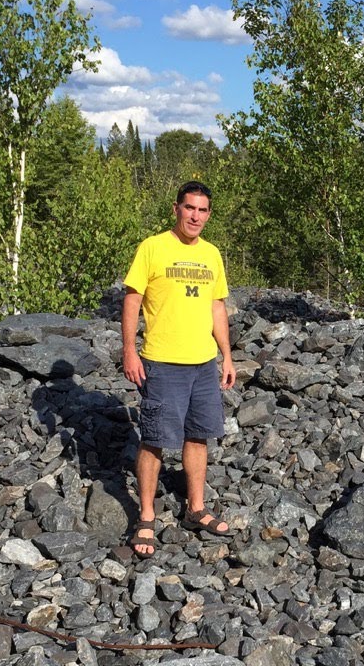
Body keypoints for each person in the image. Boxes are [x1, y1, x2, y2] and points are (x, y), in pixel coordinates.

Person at [121, 181, 236, 555]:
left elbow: (217, 306)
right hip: (163, 362)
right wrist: (129, 350)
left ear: (209, 214)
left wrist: (226, 355)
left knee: (198, 435)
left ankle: (195, 508)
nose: (195, 216)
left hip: (203, 363)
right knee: (154, 439)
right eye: (189, 208)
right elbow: (133, 299)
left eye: (202, 210)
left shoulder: (211, 254)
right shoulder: (153, 247)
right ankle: (146, 517)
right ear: (176, 209)